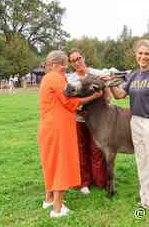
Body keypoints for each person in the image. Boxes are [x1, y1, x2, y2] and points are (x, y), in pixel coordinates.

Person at [38, 50, 103, 218]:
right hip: (59, 129)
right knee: (60, 164)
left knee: (51, 163)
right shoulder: (55, 78)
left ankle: (49, 199)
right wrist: (93, 96)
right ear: (54, 65)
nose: (66, 68)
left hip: (49, 128)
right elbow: (70, 100)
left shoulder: (47, 78)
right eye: (64, 65)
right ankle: (57, 209)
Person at [108, 40, 149, 208]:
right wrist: (112, 84)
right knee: (142, 161)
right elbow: (120, 95)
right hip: (135, 121)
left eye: (147, 54)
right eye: (140, 53)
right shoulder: (135, 75)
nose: (143, 56)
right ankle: (145, 197)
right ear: (136, 55)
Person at [66, 49, 109, 194]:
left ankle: (100, 180)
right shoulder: (70, 79)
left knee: (97, 149)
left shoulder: (98, 73)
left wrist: (106, 89)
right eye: (73, 60)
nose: (77, 62)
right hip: (79, 119)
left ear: (83, 57)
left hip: (98, 120)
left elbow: (107, 96)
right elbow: (71, 101)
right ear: (71, 63)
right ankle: (84, 182)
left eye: (78, 58)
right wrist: (92, 97)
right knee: (81, 150)